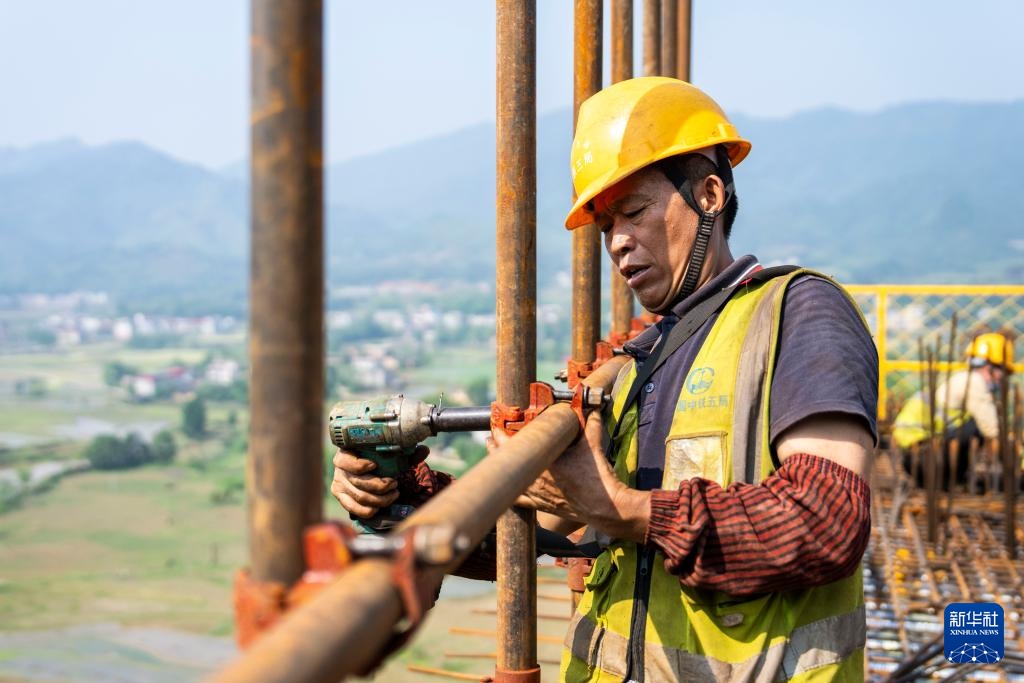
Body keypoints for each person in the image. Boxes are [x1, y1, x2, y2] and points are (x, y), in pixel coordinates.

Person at [332, 77, 879, 682]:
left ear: (709, 194)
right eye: (605, 225)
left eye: (635, 212)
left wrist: (623, 510)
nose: (618, 242)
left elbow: (826, 521)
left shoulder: (797, 314)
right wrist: (405, 499)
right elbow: (536, 534)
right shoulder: (640, 362)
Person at [892, 332, 1013, 488]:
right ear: (990, 367)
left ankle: (949, 481)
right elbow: (993, 430)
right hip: (923, 458)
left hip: (915, 457)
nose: (1003, 379)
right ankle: (948, 479)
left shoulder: (963, 378)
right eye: (1004, 372)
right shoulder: (974, 382)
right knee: (975, 427)